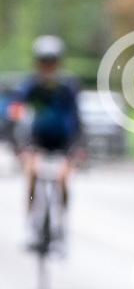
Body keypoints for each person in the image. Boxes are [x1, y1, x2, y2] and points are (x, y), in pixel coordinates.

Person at [9, 36, 81, 247]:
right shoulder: (30, 87)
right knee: (32, 174)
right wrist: (18, 145)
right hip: (37, 140)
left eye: (52, 62)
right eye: (44, 62)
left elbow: (76, 119)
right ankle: (32, 224)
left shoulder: (67, 88)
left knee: (63, 179)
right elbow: (16, 114)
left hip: (63, 141)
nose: (48, 67)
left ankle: (61, 224)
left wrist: (78, 147)